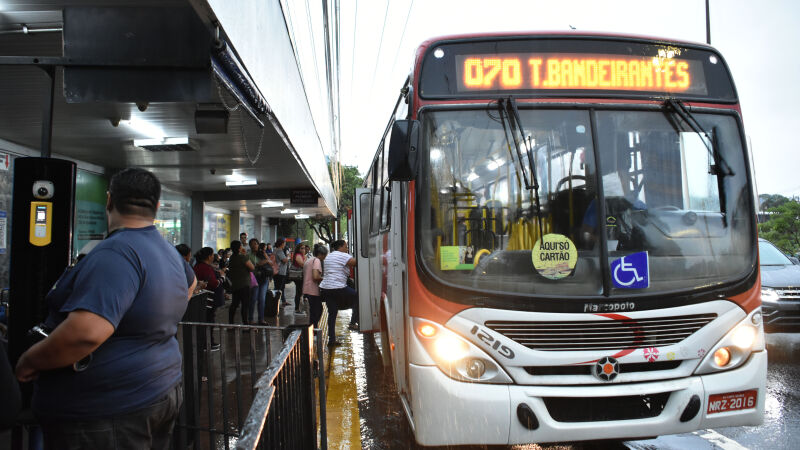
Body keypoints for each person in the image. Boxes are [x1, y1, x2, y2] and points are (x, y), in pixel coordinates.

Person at [15, 167, 195, 449]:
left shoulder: (116, 252)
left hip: (108, 412)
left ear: (109, 201)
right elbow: (190, 284)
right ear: (157, 207)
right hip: (158, 389)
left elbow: (85, 334)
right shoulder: (166, 249)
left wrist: (30, 360)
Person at [319, 240, 358, 346]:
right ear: (340, 247)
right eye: (346, 247)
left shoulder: (329, 256)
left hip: (326, 288)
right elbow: (355, 263)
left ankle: (332, 340)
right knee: (357, 297)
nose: (347, 249)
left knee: (332, 313)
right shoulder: (342, 255)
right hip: (338, 287)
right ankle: (353, 323)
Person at [194, 247, 223, 351]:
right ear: (209, 256)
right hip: (208, 299)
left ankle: (205, 342)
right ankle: (208, 343)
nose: (213, 257)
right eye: (212, 255)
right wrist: (221, 279)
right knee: (209, 320)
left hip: (203, 299)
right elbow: (213, 283)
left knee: (206, 319)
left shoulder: (198, 266)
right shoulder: (205, 268)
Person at [227, 240, 255, 325]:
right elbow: (252, 267)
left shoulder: (232, 258)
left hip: (235, 284)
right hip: (244, 284)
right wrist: (245, 254)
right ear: (239, 248)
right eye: (241, 246)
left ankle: (230, 324)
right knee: (245, 305)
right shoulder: (243, 257)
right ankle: (245, 324)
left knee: (234, 304)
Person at [303, 244, 328, 327]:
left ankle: (312, 329)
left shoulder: (309, 260)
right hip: (312, 290)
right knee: (317, 311)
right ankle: (313, 330)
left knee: (314, 311)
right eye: (325, 256)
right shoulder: (317, 261)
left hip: (307, 288)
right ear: (321, 254)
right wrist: (324, 279)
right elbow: (315, 276)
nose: (325, 258)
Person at [248, 239, 271, 325]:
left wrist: (265, 257)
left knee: (262, 299)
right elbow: (256, 264)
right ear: (250, 246)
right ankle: (250, 319)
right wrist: (265, 261)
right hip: (254, 279)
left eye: (256, 244)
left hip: (264, 278)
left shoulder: (262, 253)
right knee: (253, 299)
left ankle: (261, 319)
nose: (255, 245)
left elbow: (270, 263)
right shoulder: (249, 255)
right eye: (252, 244)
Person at [273, 238, 290, 307]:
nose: (285, 244)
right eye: (284, 243)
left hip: (278, 271)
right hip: (280, 272)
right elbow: (284, 260)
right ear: (282, 244)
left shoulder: (275, 250)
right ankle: (275, 303)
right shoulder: (279, 251)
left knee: (281, 287)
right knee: (278, 288)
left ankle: (283, 301)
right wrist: (288, 256)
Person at [292, 244, 308, 315]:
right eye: (302, 248)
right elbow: (302, 264)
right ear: (298, 249)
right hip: (298, 276)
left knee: (300, 292)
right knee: (298, 292)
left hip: (300, 276)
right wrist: (305, 259)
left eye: (304, 248)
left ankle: (298, 309)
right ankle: (297, 309)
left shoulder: (301, 255)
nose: (303, 250)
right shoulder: (298, 255)